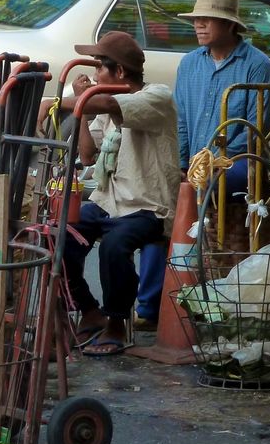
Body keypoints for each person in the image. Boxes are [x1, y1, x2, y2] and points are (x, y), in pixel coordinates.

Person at [59, 31, 180, 356]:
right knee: (59, 234)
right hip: (108, 202)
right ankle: (89, 311)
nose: (96, 75)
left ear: (120, 71)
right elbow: (87, 155)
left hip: (148, 206)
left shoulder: (156, 96)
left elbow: (112, 104)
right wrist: (82, 111)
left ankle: (116, 321)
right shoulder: (102, 103)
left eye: (100, 67)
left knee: (114, 246)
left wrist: (58, 102)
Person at [175, 0, 270, 196]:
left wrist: (214, 162)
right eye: (196, 19)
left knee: (210, 183)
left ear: (230, 24)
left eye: (207, 19)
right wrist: (182, 163)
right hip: (197, 163)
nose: (198, 25)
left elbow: (256, 131)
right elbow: (180, 121)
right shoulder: (189, 64)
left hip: (238, 162)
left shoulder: (257, 65)